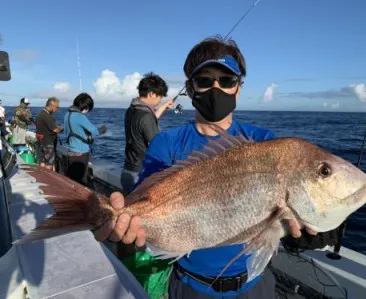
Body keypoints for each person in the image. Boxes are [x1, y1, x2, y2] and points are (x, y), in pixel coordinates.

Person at [94, 36, 341, 298]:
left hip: (254, 287)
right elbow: (146, 204)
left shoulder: (264, 142)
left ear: (239, 88)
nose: (216, 88)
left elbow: (286, 212)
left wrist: (311, 233)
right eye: (204, 81)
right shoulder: (166, 143)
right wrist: (123, 222)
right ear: (190, 89)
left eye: (227, 80)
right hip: (189, 286)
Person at [121, 72, 174, 195]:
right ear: (152, 94)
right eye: (160, 97)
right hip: (140, 175)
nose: (160, 101)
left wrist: (164, 107)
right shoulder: (146, 116)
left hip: (128, 170)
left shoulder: (131, 110)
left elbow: (146, 122)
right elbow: (157, 146)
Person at [63, 92, 106, 185]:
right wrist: (103, 129)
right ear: (85, 107)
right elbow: (95, 131)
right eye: (88, 109)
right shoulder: (80, 117)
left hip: (71, 152)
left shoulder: (67, 115)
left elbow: (66, 132)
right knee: (81, 181)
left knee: (72, 180)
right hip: (81, 153)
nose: (88, 111)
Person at [35, 97, 64, 170]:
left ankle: (42, 178)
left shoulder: (40, 114)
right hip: (47, 143)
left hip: (41, 141)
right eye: (57, 107)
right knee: (49, 163)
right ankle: (47, 179)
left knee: (42, 162)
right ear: (51, 105)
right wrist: (62, 129)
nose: (57, 109)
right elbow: (55, 130)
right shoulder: (47, 116)